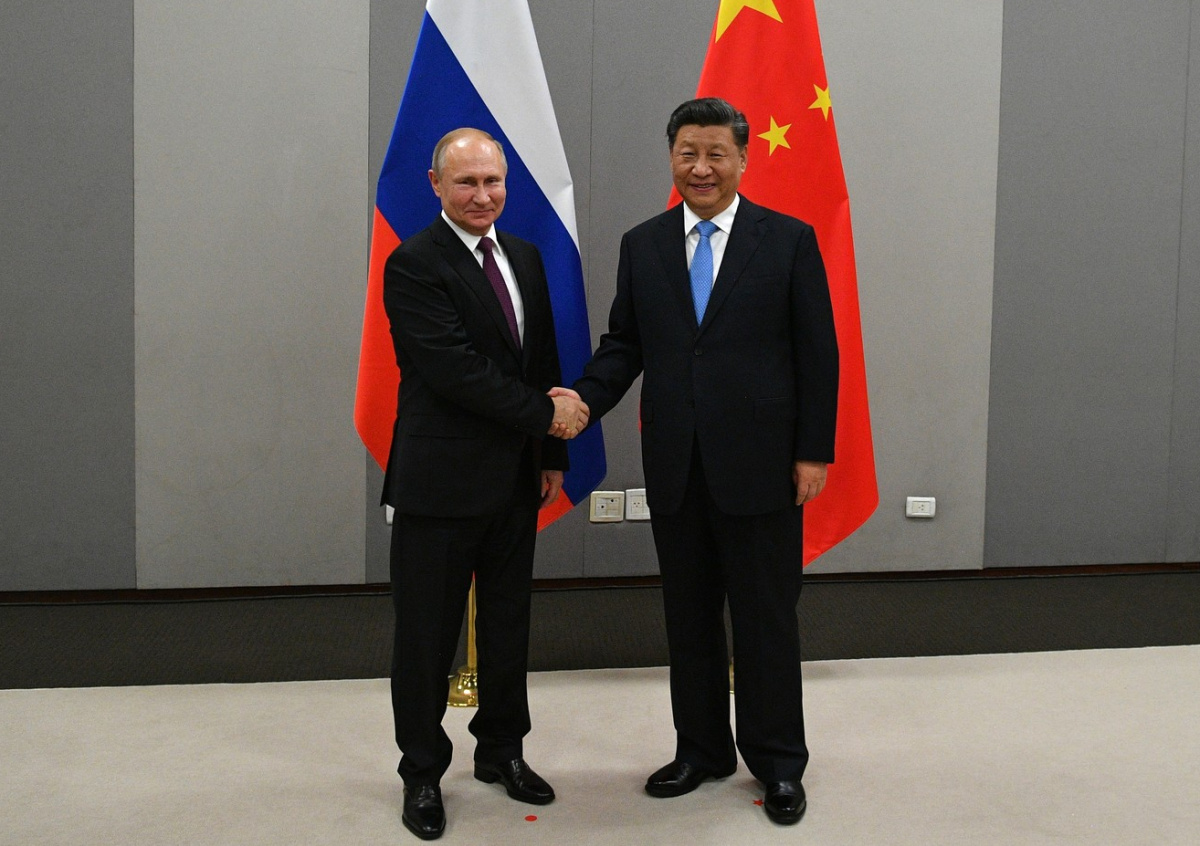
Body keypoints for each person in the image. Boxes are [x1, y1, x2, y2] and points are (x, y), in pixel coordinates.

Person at [565, 97, 839, 825]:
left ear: (743, 159)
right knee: (688, 619)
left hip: (764, 468)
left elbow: (819, 353)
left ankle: (778, 763)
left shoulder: (788, 241)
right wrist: (585, 399)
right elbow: (625, 344)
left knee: (765, 622)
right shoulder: (644, 245)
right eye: (688, 153)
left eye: (717, 153)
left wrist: (813, 451)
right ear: (671, 157)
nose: (702, 167)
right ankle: (702, 750)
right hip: (677, 466)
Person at [381, 127, 588, 841]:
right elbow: (453, 371)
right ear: (435, 185)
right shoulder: (413, 263)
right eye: (466, 182)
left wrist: (550, 453)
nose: (481, 195)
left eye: (492, 181)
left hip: (514, 480)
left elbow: (540, 357)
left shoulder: (523, 255)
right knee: (426, 638)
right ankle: (421, 772)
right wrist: (548, 415)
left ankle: (502, 751)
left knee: (507, 626)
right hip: (438, 486)